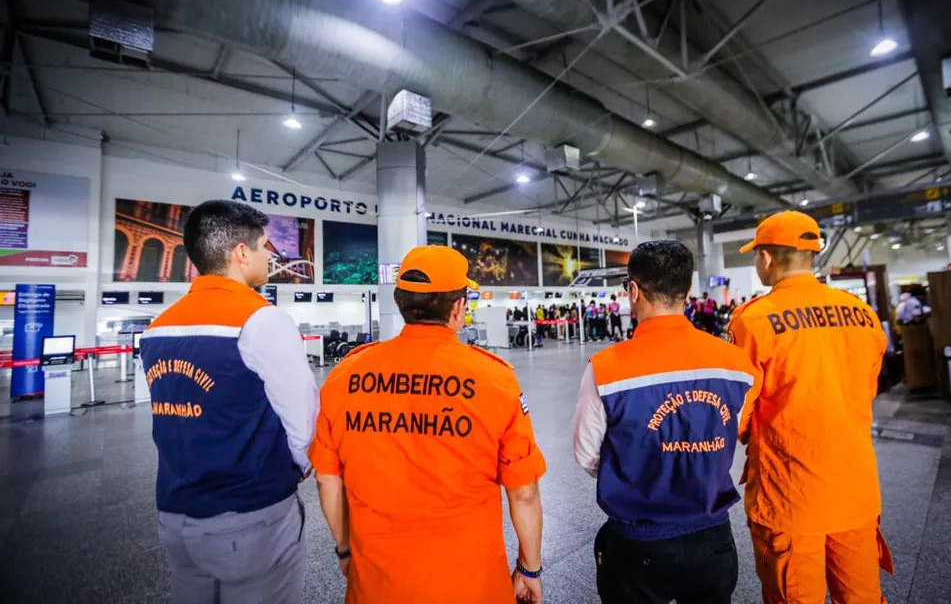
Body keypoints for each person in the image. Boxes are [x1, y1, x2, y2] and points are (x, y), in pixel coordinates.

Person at [309, 245, 547, 603]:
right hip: (471, 583)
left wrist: (345, 551)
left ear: (403, 303)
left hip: (377, 583)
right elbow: (524, 492)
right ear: (457, 307)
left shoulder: (345, 375)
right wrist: (529, 568)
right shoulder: (494, 379)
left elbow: (328, 480)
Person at [141, 200, 318, 604]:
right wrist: (297, 467)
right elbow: (303, 420)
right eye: (264, 247)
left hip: (175, 513)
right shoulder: (261, 319)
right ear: (241, 253)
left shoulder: (157, 327)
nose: (268, 258)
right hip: (250, 514)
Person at [573, 240, 756, 604]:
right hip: (713, 540)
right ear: (687, 291)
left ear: (634, 291)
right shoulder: (736, 363)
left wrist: (640, 466)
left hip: (639, 543)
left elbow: (586, 454)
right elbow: (732, 432)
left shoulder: (605, 369)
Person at [727, 210, 893, 604]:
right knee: (864, 597)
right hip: (855, 490)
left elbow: (739, 411)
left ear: (766, 258)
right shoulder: (862, 314)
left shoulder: (753, 320)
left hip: (791, 496)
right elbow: (866, 389)